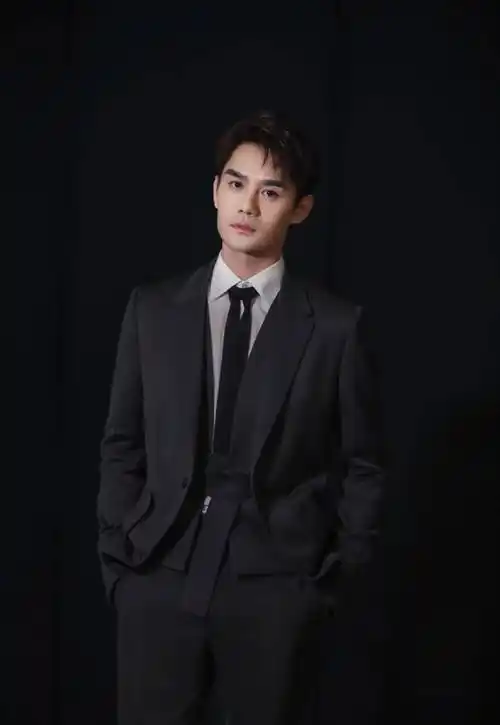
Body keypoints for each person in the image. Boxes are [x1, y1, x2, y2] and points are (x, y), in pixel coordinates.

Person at [97, 109, 386, 725]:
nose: (247, 205)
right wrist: (121, 565)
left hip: (274, 587)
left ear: (300, 209)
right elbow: (122, 443)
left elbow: (364, 464)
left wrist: (327, 587)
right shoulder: (152, 309)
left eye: (270, 192)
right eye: (236, 183)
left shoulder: (336, 328)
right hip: (157, 573)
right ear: (215, 191)